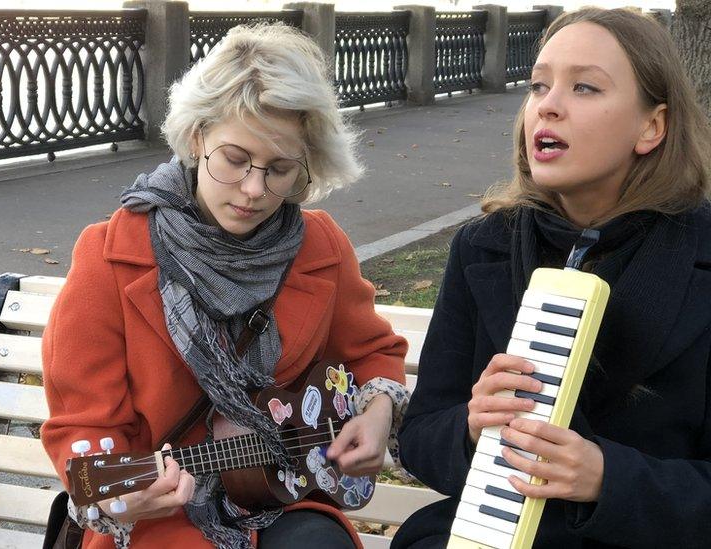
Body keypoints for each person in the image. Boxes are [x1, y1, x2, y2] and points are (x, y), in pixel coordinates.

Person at [40, 23, 410, 549]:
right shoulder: (109, 256)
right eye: (234, 160)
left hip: (284, 493)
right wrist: (115, 496)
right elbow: (84, 425)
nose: (254, 190)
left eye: (280, 169)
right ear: (197, 137)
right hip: (160, 515)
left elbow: (371, 352)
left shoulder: (320, 245)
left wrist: (376, 415)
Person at [393, 7, 711, 549]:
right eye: (538, 85)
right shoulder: (481, 247)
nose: (549, 105)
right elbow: (422, 439)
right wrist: (471, 427)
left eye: (584, 87)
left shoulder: (700, 255)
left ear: (651, 126)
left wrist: (608, 479)